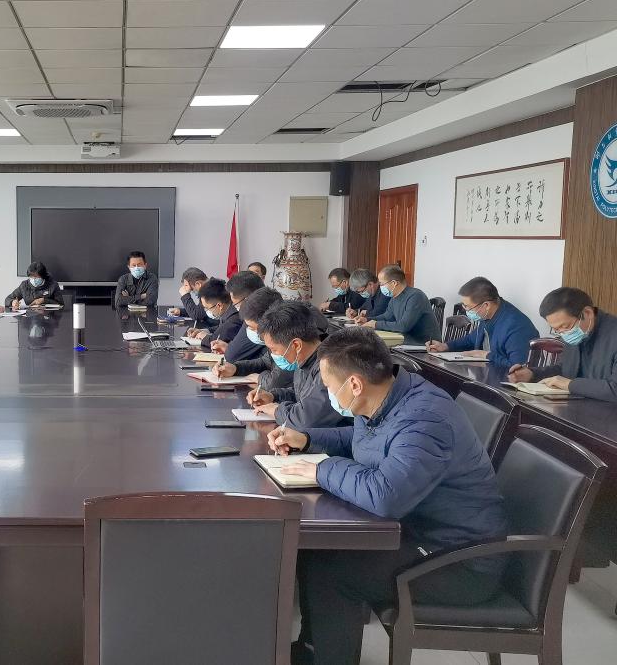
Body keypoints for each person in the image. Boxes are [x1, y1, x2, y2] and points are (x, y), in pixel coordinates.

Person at [270, 327, 507, 665]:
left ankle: (326, 657)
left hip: (459, 560)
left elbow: (386, 496)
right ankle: (314, 649)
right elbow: (361, 440)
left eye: (328, 386)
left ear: (354, 384)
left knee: (330, 569)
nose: (327, 392)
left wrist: (321, 470)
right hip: (422, 533)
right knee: (315, 552)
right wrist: (306, 439)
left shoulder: (424, 419)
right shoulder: (387, 395)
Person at [216, 301, 347, 429]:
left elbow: (307, 419)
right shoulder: (303, 358)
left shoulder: (330, 365)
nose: (273, 355)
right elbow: (302, 394)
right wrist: (273, 396)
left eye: (274, 350)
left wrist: (276, 410)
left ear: (296, 345)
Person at [508, 287, 617, 400]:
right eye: (556, 329)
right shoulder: (575, 333)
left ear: (587, 313)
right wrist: (532, 374)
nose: (563, 334)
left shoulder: (613, 334)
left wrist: (570, 385)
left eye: (565, 326)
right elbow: (565, 369)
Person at [426, 277, 538, 367]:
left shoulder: (516, 326)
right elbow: (471, 339)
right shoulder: (487, 315)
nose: (466, 311)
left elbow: (518, 369)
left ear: (486, 305)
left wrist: (486, 355)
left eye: (468, 307)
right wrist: (445, 346)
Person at [357, 265, 441, 345]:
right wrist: (367, 320)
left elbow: (403, 326)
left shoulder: (415, 296)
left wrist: (375, 324)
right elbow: (387, 317)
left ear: (394, 283)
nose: (380, 287)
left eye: (381, 284)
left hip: (425, 345)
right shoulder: (394, 297)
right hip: (405, 341)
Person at [211, 270, 265, 357]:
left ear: (247, 300)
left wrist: (229, 349)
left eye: (236, 304)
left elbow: (232, 355)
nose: (235, 307)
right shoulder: (265, 308)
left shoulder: (258, 317)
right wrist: (228, 347)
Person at [188, 278, 241, 347]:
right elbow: (221, 327)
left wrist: (204, 337)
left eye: (207, 308)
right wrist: (204, 331)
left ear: (219, 305)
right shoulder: (228, 311)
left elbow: (214, 341)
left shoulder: (234, 319)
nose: (206, 311)